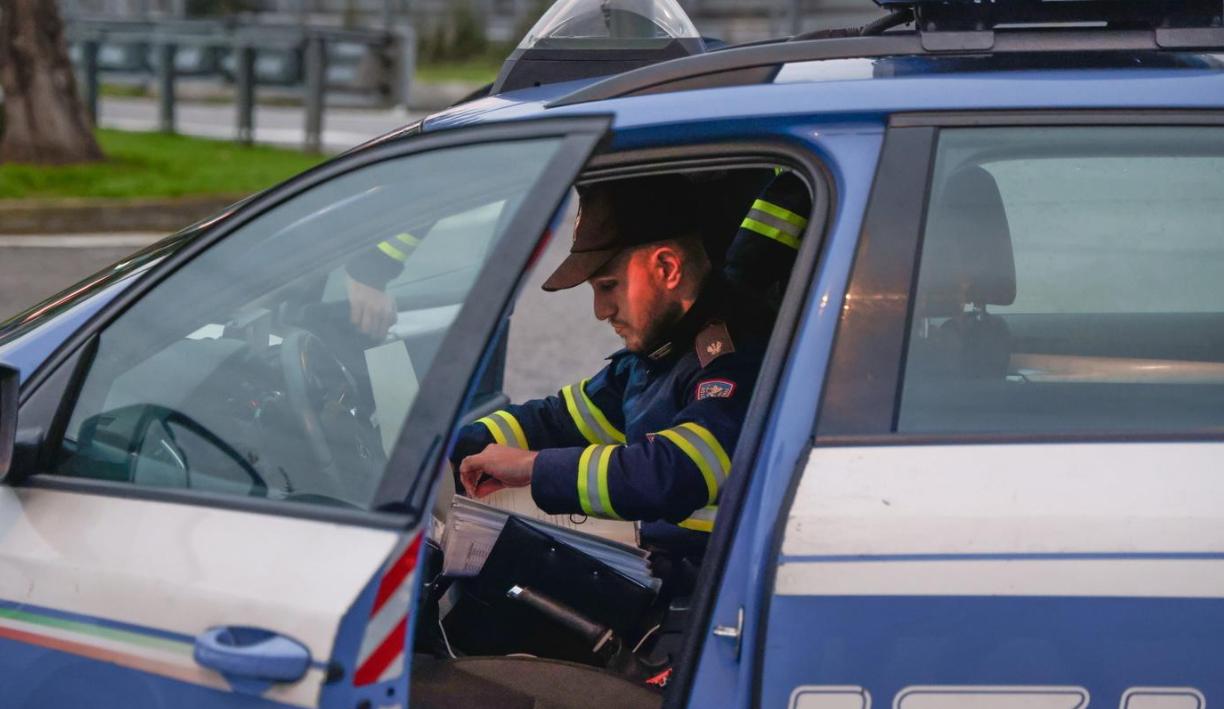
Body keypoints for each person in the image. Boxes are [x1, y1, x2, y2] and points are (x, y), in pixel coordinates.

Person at [448, 174, 778, 559]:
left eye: (608, 287)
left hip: (714, 584)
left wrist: (533, 467)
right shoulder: (661, 352)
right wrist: (452, 449)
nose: (600, 311)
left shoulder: (738, 358)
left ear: (667, 268)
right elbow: (559, 420)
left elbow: (677, 472)